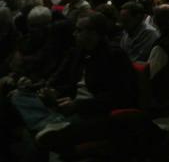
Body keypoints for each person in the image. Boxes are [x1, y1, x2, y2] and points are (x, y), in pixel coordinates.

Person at [14, 13, 138, 155]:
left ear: (93, 33)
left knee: (36, 139)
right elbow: (70, 84)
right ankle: (51, 123)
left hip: (94, 112)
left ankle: (50, 124)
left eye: (79, 30)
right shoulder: (78, 52)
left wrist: (78, 105)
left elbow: (120, 97)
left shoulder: (114, 56)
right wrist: (54, 92)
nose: (74, 33)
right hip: (70, 105)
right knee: (19, 96)